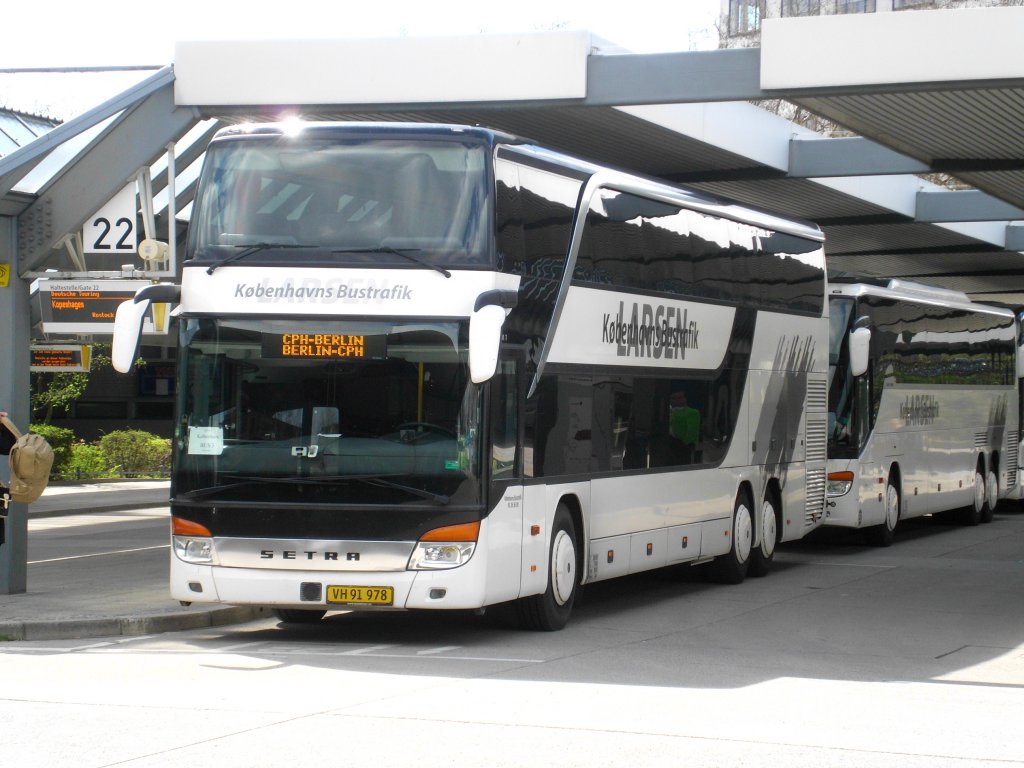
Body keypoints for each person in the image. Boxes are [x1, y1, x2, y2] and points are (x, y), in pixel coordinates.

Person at [668, 392, 701, 464]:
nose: (676, 400)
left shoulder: (692, 412)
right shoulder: (667, 411)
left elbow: (692, 433)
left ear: (685, 399)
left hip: (682, 446)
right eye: (673, 398)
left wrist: (683, 445)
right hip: (666, 445)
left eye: (679, 397)